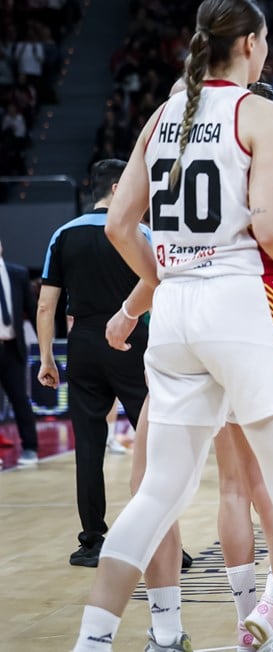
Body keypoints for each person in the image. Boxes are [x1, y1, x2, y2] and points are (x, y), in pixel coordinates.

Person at [68, 1, 273, 650]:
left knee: (157, 493)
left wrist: (161, 278)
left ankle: (93, 639)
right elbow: (271, 225)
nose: (268, 51)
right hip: (240, 304)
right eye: (267, 40)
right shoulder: (263, 112)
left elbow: (117, 225)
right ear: (249, 43)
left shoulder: (162, 115)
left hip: (175, 316)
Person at [36, 159, 149, 567]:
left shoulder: (62, 234)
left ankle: (92, 542)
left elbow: (47, 304)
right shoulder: (139, 232)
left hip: (82, 342)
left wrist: (48, 358)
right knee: (155, 444)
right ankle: (158, 543)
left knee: (88, 444)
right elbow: (160, 290)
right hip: (131, 338)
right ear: (118, 189)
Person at [0, 237, 39, 467]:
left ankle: (31, 448)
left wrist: (45, 344)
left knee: (20, 400)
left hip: (13, 346)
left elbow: (32, 311)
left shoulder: (18, 273)